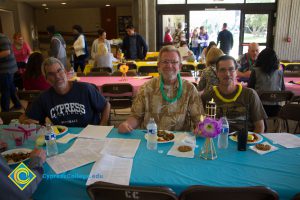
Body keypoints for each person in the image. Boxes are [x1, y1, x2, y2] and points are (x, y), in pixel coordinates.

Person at [118, 45, 204, 133]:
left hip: (179, 141)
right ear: (158, 65)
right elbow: (136, 116)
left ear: (180, 66)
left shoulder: (189, 89)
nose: (169, 65)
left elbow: (198, 118)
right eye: (165, 62)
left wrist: (201, 127)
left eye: (174, 62)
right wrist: (127, 124)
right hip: (151, 139)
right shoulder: (146, 88)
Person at [19, 57, 110, 127]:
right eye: (51, 74)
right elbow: (24, 117)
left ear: (66, 72)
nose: (57, 76)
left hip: (90, 136)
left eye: (59, 71)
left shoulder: (85, 89)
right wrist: (24, 121)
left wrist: (102, 126)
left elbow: (106, 105)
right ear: (46, 79)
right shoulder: (44, 98)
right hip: (63, 138)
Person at [202, 55, 267, 133]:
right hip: (217, 142)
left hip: (244, 142)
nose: (227, 74)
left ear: (236, 72)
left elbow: (260, 127)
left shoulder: (250, 95)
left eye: (231, 69)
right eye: (222, 70)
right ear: (217, 73)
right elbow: (202, 126)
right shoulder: (207, 96)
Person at [248, 47, 285, 117]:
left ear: (260, 59)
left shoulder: (256, 71)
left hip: (258, 109)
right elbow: (283, 90)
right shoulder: (280, 73)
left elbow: (250, 89)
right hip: (276, 109)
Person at [0, 33, 22, 112]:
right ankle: (17, 104)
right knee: (11, 88)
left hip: (6, 69)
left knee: (5, 90)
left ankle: (4, 112)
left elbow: (6, 52)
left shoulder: (2, 38)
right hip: (6, 69)